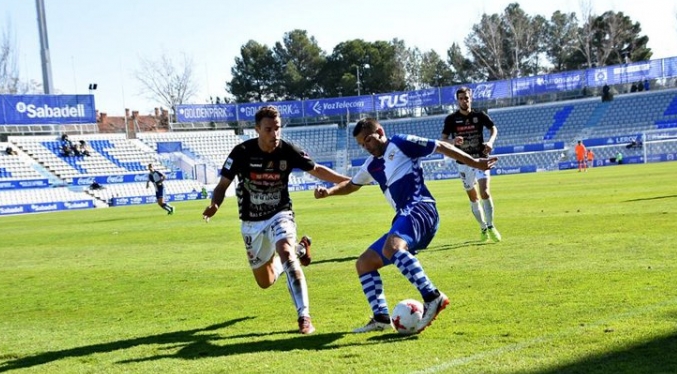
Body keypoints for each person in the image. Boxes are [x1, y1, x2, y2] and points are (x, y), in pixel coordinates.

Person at [314, 118, 497, 334]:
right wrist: (329, 192)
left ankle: (433, 297)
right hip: (405, 215)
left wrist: (475, 164)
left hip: (421, 208)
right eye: (362, 144)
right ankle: (381, 318)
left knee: (391, 248)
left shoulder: (400, 142)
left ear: (380, 131)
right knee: (364, 263)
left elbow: (440, 146)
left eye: (368, 140)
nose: (366, 146)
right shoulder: (371, 165)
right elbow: (351, 185)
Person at [201, 105, 350, 335]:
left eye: (277, 128)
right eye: (269, 129)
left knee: (285, 252)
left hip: (280, 213)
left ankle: (304, 316)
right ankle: (301, 249)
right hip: (251, 223)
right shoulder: (241, 152)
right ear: (257, 129)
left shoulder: (288, 150)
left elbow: (317, 169)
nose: (274, 134)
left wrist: (351, 181)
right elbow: (222, 186)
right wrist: (215, 204)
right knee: (265, 281)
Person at [441, 86, 502, 242]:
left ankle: (490, 225)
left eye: (466, 98)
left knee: (485, 192)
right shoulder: (451, 119)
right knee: (473, 197)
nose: (464, 101)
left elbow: (493, 128)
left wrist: (490, 142)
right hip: (463, 162)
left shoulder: (480, 115)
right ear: (457, 101)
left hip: (481, 159)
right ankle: (482, 227)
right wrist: (453, 141)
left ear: (471, 98)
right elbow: (443, 140)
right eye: (461, 98)